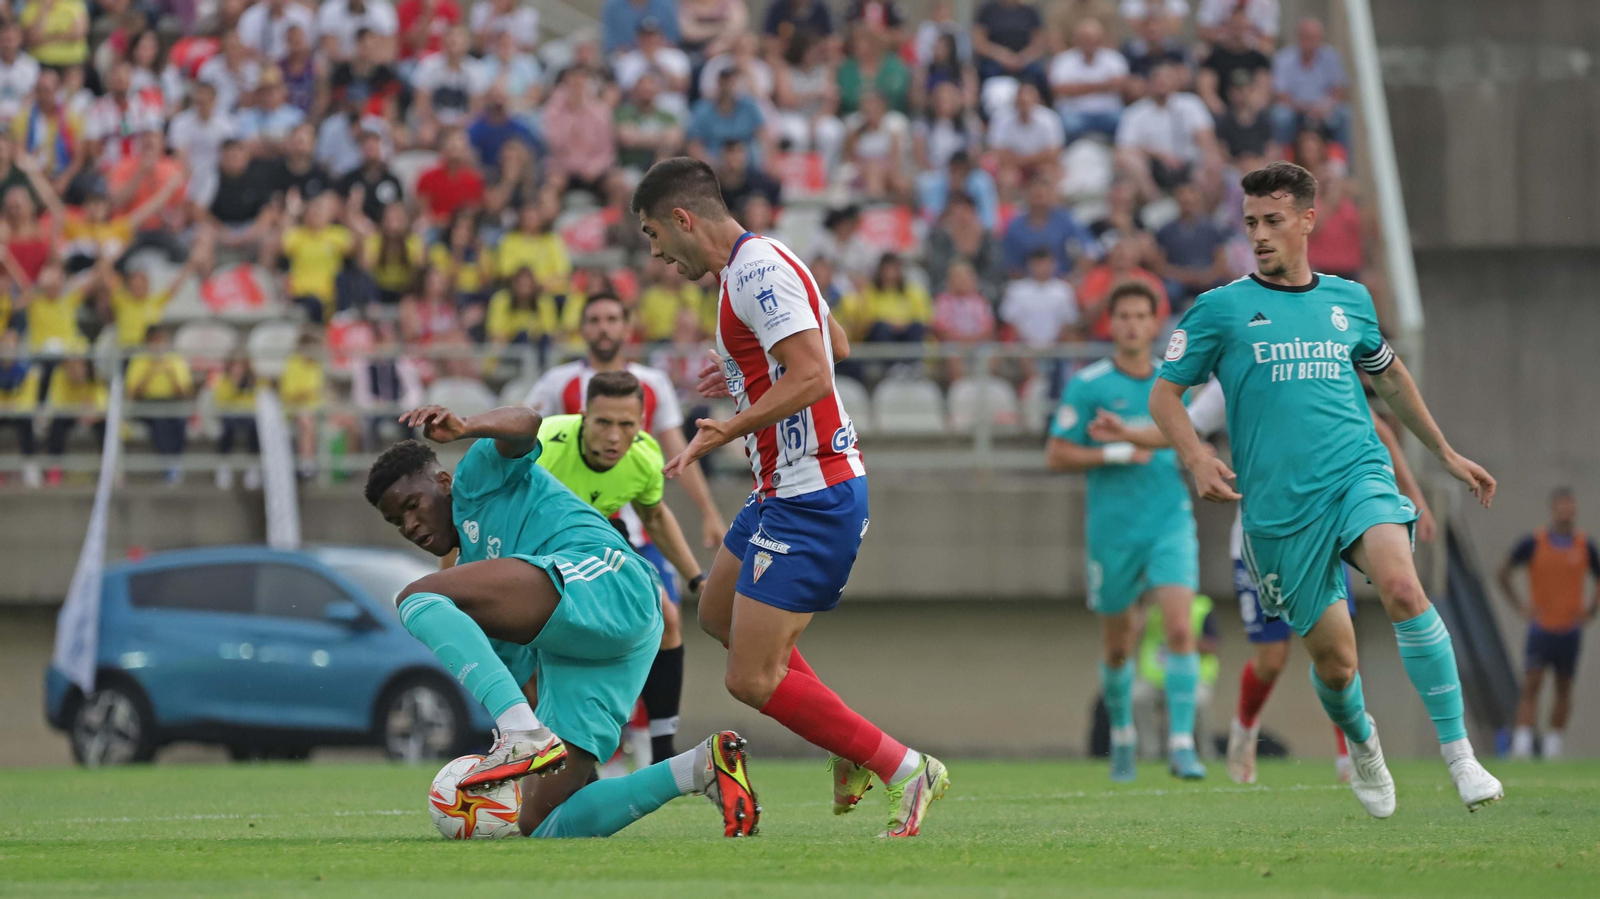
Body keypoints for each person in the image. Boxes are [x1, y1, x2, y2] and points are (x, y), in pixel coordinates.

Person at [1149, 161, 1502, 818]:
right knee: (1337, 666)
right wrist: (1195, 455)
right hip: (1280, 514)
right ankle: (1363, 742)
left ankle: (1461, 756)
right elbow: (1164, 395)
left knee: (1402, 586)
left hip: (1355, 474)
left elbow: (1390, 382)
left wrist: (1445, 453)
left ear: (1308, 219)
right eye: (1251, 222)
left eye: (1273, 221)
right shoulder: (1221, 310)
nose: (1259, 234)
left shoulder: (1350, 301)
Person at [631, 156, 949, 837]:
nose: (657, 255)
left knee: (749, 678)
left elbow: (813, 373)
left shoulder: (757, 271)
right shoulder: (753, 265)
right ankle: (851, 747)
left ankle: (904, 766)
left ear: (684, 219)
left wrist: (732, 426)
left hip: (815, 493)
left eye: (655, 236)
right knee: (716, 609)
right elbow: (833, 341)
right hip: (781, 489)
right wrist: (746, 375)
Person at [364, 404, 760, 838]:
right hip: (592, 647)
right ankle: (700, 766)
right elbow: (522, 682)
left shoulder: (476, 477)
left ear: (443, 483)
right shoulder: (481, 589)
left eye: (412, 505)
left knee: (415, 598)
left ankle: (520, 735)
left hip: (611, 584)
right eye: (396, 521)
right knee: (540, 821)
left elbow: (527, 422)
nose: (410, 524)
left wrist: (467, 426)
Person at [1093, 371, 1440, 785]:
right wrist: (1128, 434)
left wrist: (1412, 493)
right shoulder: (1232, 377)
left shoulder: (1314, 354)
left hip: (1324, 532)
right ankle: (1244, 729)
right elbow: (1179, 425)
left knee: (1339, 651)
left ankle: (1350, 754)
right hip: (1261, 541)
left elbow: (1375, 425)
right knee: (1272, 661)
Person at [1045, 281, 1206, 781]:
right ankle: (1122, 737)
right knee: (1120, 645)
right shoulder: (1088, 384)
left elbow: (1188, 436)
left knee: (1180, 627)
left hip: (1168, 521)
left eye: (1142, 315)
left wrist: (1131, 435)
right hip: (1113, 530)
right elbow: (1057, 454)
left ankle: (1182, 745)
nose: (1133, 325)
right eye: (1124, 316)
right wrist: (1114, 452)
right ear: (1111, 324)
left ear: (1156, 323)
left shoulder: (1171, 381)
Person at [535, 371, 707, 765]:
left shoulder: (645, 457)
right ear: (583, 416)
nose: (614, 437)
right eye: (604, 423)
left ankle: (663, 750)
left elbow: (655, 517)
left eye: (626, 425)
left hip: (601, 541)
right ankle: (560, 760)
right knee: (534, 651)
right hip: (539, 546)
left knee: (666, 615)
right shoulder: (544, 444)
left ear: (642, 424)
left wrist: (697, 576)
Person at [1498, 488, 1600, 760]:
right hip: (1541, 627)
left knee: (1564, 686)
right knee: (1532, 683)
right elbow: (1503, 572)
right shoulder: (1534, 542)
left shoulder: (1584, 545)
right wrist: (1520, 605)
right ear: (1553, 508)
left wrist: (1591, 610)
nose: (1566, 511)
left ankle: (1554, 745)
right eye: (1561, 506)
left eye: (1570, 506)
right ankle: (1521, 744)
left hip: (1570, 628)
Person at [126, 325, 194, 485]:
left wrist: (170, 374)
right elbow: (132, 394)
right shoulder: (139, 359)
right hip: (146, 403)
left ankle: (175, 460)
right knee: (159, 419)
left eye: (161, 341)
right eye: (154, 342)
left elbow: (185, 394)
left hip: (171, 401)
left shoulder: (175, 360)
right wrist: (150, 372)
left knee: (180, 419)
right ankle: (168, 463)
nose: (158, 346)